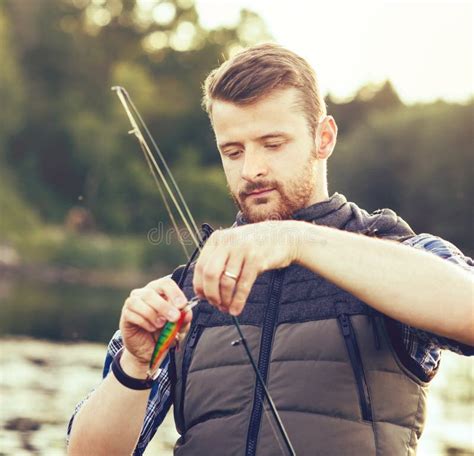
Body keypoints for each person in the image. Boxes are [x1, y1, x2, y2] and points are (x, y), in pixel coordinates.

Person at [67, 43, 474, 456]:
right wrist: (135, 366)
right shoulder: (187, 291)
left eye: (272, 144)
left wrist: (296, 239)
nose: (251, 170)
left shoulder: (393, 252)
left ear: (324, 137)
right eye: (233, 151)